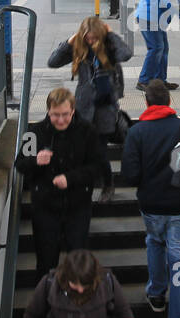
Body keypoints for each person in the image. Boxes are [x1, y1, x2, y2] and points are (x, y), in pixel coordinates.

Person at [118, 80, 180, 318]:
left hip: (151, 206)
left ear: (146, 102)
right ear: (170, 102)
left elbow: (129, 175)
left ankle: (156, 293)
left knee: (154, 242)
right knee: (179, 263)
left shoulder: (137, 132)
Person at [15, 88, 110, 278]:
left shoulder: (87, 132)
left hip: (77, 207)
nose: (60, 120)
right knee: (45, 262)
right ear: (48, 111)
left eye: (65, 115)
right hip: (45, 209)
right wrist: (35, 160)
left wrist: (71, 179)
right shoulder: (35, 132)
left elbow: (98, 167)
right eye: (55, 115)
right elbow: (20, 164)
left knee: (78, 262)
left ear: (73, 111)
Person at [47, 16, 132, 197]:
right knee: (84, 150)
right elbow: (52, 62)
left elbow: (126, 54)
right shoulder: (80, 48)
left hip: (105, 109)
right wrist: (69, 42)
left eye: (94, 37)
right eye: (88, 37)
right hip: (84, 108)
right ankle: (89, 183)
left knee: (100, 151)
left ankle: (108, 184)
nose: (91, 41)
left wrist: (110, 34)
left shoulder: (109, 47)